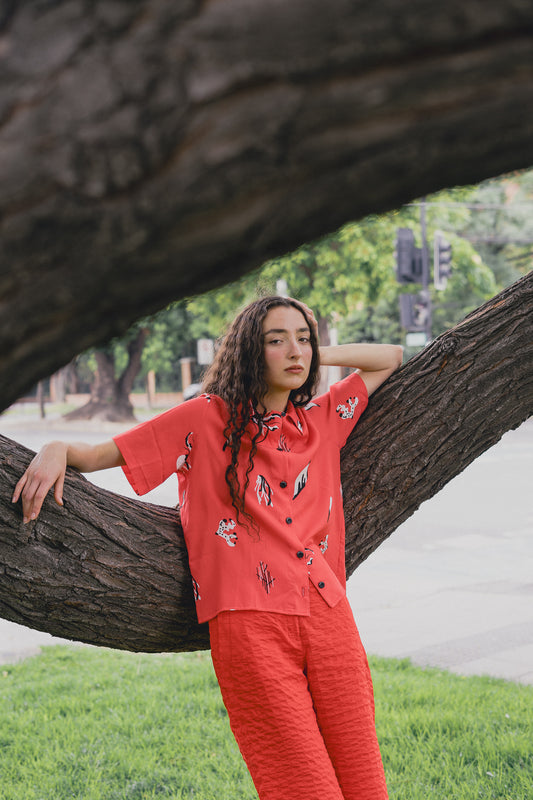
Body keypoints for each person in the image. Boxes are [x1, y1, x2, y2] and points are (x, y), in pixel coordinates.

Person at [12, 296, 403, 800]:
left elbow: (390, 357)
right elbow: (102, 453)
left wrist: (312, 355)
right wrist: (55, 449)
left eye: (302, 338)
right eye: (275, 340)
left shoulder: (320, 422)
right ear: (247, 352)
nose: (294, 350)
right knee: (304, 787)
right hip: (249, 621)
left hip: (329, 613)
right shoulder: (204, 420)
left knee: (366, 784)